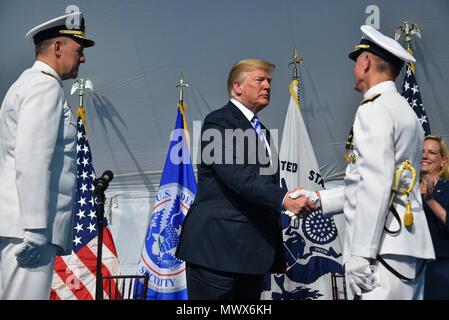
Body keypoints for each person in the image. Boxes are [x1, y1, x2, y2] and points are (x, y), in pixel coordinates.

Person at [293, 25, 435, 300]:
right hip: (403, 244)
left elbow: (375, 184)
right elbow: (376, 182)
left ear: (366, 61)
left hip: (381, 248)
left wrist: (360, 252)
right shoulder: (404, 110)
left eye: (357, 61)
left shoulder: (374, 109)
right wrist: (319, 199)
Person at [176, 59, 313, 300]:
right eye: (259, 80)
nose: (267, 86)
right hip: (217, 254)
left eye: (269, 81)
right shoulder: (217, 122)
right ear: (237, 87)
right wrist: (285, 199)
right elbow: (236, 174)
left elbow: (263, 188)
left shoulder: (265, 134)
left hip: (252, 255)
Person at [0, 12, 95, 299]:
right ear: (57, 48)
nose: (83, 59)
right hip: (28, 229)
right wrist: (36, 229)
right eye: (78, 51)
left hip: (20, 224)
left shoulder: (27, 84)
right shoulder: (44, 86)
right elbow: (33, 160)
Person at [420, 135, 449, 300]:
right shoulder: (406, 190)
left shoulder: (447, 188)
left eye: (431, 152)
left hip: (441, 269)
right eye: (422, 151)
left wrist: (430, 200)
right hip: (410, 270)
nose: (425, 156)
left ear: (443, 161)